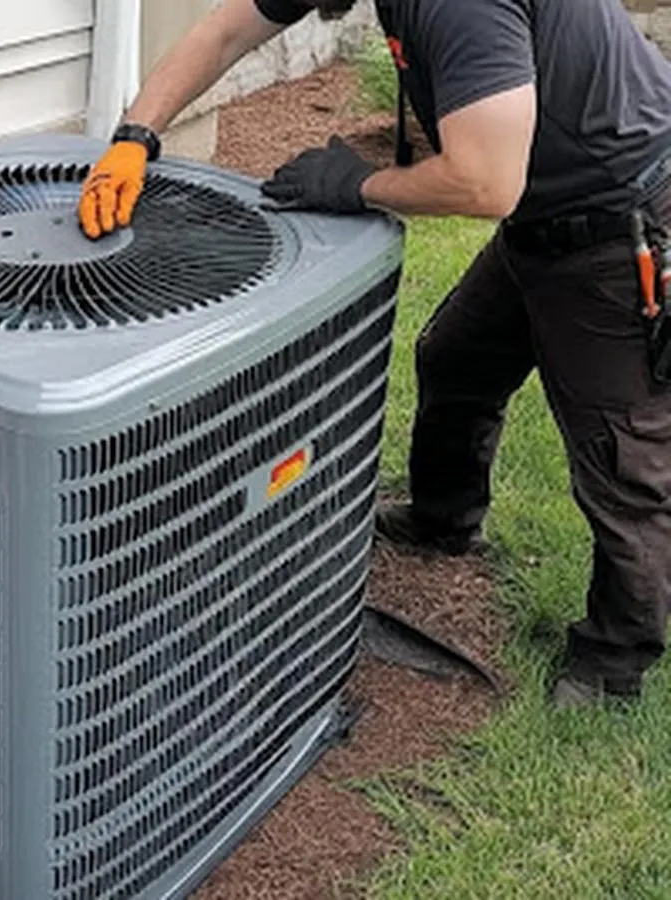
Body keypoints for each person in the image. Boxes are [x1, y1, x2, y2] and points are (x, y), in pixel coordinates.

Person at [78, 0, 671, 709]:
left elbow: (485, 182)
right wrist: (135, 136)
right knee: (456, 359)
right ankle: (443, 521)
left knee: (623, 456)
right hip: (541, 211)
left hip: (619, 224)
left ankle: (613, 663)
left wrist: (355, 186)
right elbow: (226, 29)